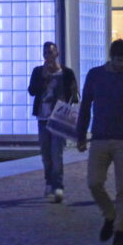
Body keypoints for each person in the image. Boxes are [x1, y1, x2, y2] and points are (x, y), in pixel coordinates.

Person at [75, 40, 123, 245]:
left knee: (122, 187)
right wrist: (80, 134)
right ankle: (110, 213)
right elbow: (86, 105)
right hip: (99, 136)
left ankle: (120, 230)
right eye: (119, 60)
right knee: (94, 182)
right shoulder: (95, 75)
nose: (122, 65)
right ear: (112, 57)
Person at [27, 42, 79, 203]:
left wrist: (71, 99)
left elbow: (74, 93)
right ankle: (49, 181)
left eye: (50, 53)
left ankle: (58, 185)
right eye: (45, 53)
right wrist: (42, 78)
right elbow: (32, 91)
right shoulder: (37, 71)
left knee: (57, 152)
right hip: (43, 117)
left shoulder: (66, 72)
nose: (47, 56)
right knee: (46, 153)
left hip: (59, 117)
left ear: (57, 54)